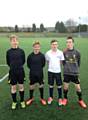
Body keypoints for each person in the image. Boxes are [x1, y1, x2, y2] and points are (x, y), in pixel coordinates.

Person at [62, 36, 87, 108]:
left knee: (78, 88)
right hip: (66, 73)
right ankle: (65, 99)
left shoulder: (77, 52)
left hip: (75, 73)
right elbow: (63, 62)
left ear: (73, 43)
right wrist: (67, 67)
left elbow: (78, 63)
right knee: (65, 87)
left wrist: (75, 69)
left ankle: (80, 100)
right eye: (67, 42)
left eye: (70, 42)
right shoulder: (64, 52)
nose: (68, 44)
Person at [6, 35, 26, 110]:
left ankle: (22, 101)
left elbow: (23, 61)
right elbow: (8, 62)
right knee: (13, 87)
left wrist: (18, 66)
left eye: (16, 40)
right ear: (10, 42)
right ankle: (14, 102)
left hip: (20, 71)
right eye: (13, 40)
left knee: (21, 86)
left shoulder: (21, 51)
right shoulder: (8, 52)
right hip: (12, 72)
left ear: (18, 41)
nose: (14, 42)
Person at [26, 41, 46, 106]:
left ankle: (42, 98)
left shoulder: (42, 56)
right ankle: (31, 98)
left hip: (40, 73)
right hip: (32, 73)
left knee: (41, 85)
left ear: (39, 47)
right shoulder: (30, 56)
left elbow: (43, 64)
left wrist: (38, 69)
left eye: (38, 47)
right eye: (35, 47)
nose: (36, 48)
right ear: (33, 47)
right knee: (31, 86)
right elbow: (28, 65)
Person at [45, 40, 64, 106]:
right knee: (51, 85)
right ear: (51, 45)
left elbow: (61, 62)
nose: (54, 46)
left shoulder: (60, 52)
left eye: (56, 44)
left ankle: (60, 98)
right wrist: (51, 68)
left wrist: (57, 68)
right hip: (50, 71)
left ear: (57, 45)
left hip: (58, 71)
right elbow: (47, 61)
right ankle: (51, 97)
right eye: (53, 44)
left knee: (59, 85)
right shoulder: (47, 53)